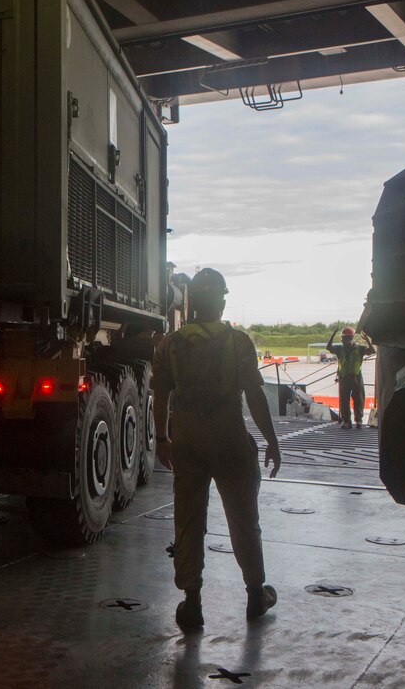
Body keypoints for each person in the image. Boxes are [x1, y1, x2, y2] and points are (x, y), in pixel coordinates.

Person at [151, 268, 282, 630]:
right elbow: (254, 395)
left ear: (192, 302)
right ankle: (256, 593)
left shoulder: (172, 344)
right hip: (229, 440)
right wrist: (271, 440)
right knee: (243, 519)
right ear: (221, 301)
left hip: (188, 442)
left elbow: (161, 394)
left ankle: (191, 602)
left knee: (189, 520)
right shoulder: (238, 342)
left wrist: (162, 439)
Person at [326, 326, 375, 429]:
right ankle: (347, 421)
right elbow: (329, 348)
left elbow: (372, 351)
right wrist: (332, 336)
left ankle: (358, 421)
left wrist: (367, 340)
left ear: (351, 338)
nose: (345, 341)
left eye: (347, 338)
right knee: (344, 401)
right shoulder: (340, 349)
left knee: (359, 400)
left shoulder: (360, 348)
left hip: (356, 377)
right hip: (344, 378)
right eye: (344, 339)